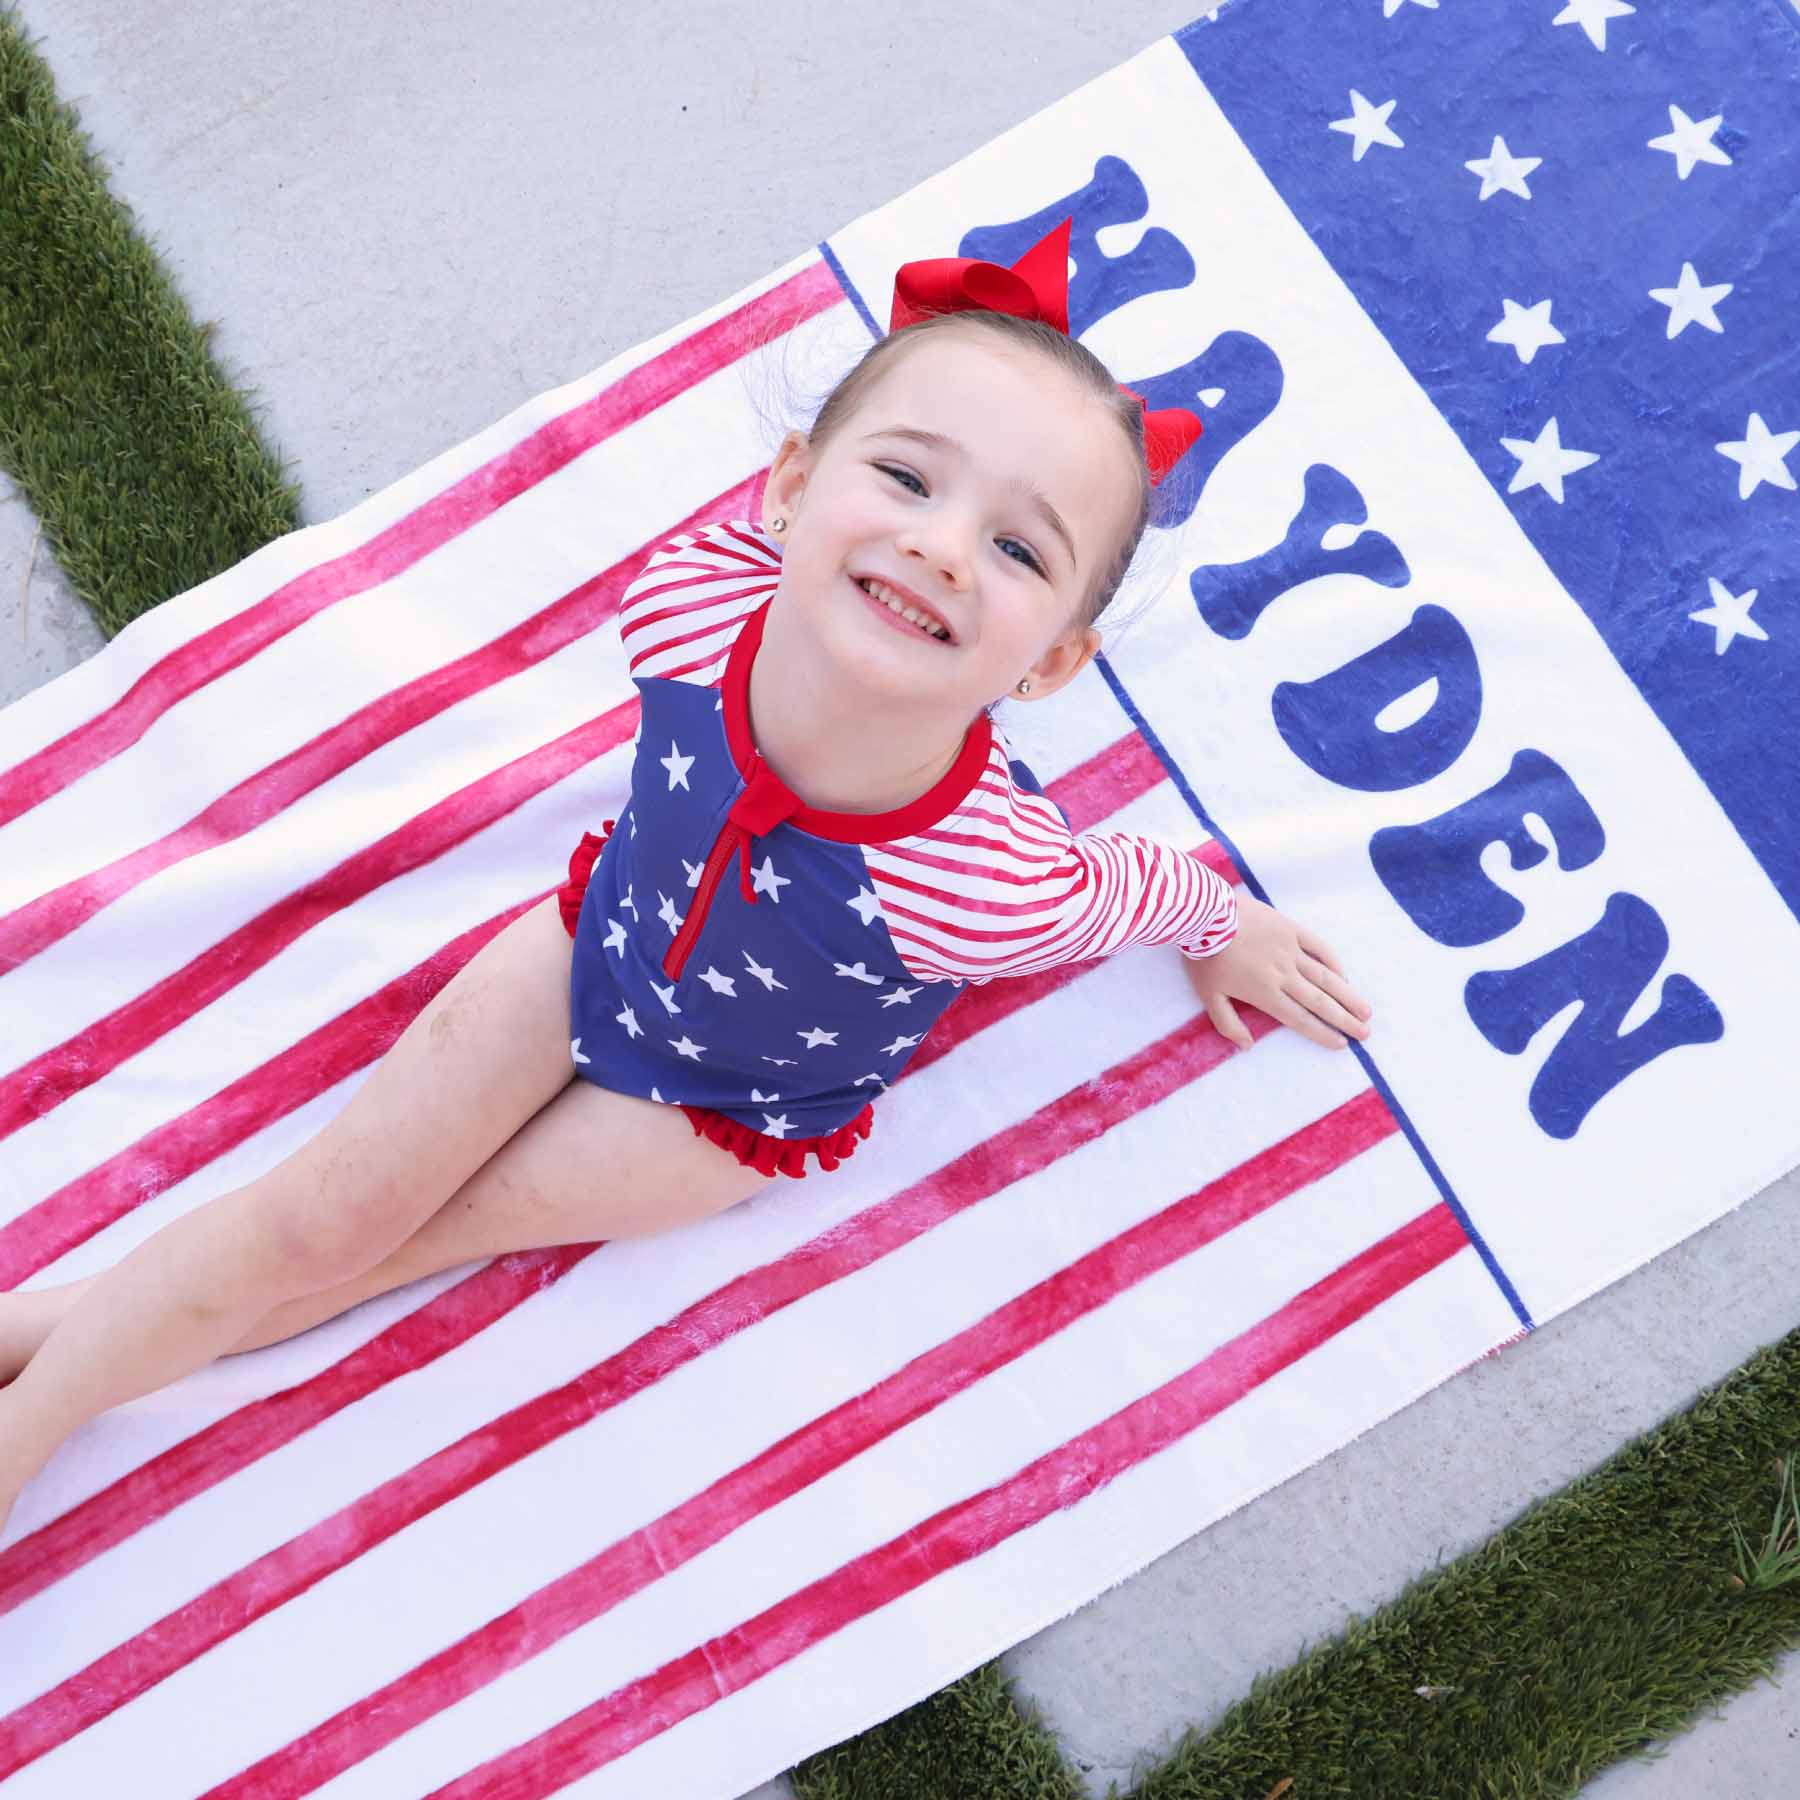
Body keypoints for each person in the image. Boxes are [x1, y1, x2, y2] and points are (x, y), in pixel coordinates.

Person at [0, 219, 1373, 1542]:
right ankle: (34, 1391)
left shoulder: (989, 883)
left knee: (410, 1239)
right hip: (591, 944)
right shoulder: (685, 606)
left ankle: (30, 1394)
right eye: (907, 479)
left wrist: (1230, 925)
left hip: (717, 1111)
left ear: (1054, 660)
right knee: (327, 1215)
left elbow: (1135, 882)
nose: (945, 546)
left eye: (1019, 550)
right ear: (789, 491)